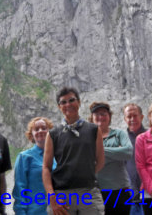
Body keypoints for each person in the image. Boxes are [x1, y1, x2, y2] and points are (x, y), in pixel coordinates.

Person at [42, 87, 105, 215]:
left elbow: (100, 160)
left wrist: (85, 174)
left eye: (71, 100)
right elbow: (46, 168)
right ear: (59, 107)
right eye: (63, 102)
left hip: (89, 193)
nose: (68, 104)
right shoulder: (53, 134)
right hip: (61, 194)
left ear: (79, 102)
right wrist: (51, 197)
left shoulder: (93, 130)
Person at [89, 102, 133, 215]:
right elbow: (86, 159)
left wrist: (99, 151)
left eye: (104, 113)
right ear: (91, 118)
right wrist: (116, 152)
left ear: (109, 117)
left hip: (121, 191)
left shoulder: (119, 134)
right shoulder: (87, 137)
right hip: (96, 191)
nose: (100, 117)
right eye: (97, 114)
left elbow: (128, 152)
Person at [13, 117, 56, 215]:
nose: (40, 131)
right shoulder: (24, 157)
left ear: (50, 131)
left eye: (44, 128)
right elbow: (20, 189)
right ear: (31, 135)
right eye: (36, 129)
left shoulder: (58, 157)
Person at [123, 103, 146, 215]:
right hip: (129, 198)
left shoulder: (151, 136)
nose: (132, 119)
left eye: (135, 116)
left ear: (142, 117)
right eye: (129, 116)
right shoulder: (121, 139)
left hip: (150, 196)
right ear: (124, 119)